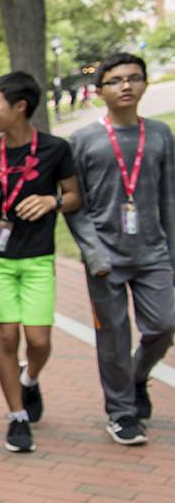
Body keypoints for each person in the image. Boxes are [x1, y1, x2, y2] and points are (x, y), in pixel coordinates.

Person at [0, 71, 81, 454]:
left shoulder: (55, 149)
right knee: (7, 336)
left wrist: (52, 202)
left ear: (20, 107)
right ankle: (17, 417)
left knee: (39, 340)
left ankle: (30, 379)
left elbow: (75, 196)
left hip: (38, 257)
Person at [65, 52, 175, 445]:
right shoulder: (83, 140)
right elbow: (74, 204)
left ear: (145, 83)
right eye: (115, 81)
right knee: (113, 337)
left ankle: (137, 377)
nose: (125, 86)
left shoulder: (160, 134)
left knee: (164, 326)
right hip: (105, 258)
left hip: (153, 254)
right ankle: (122, 412)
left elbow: (169, 199)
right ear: (100, 90)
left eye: (134, 78)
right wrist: (94, 253)